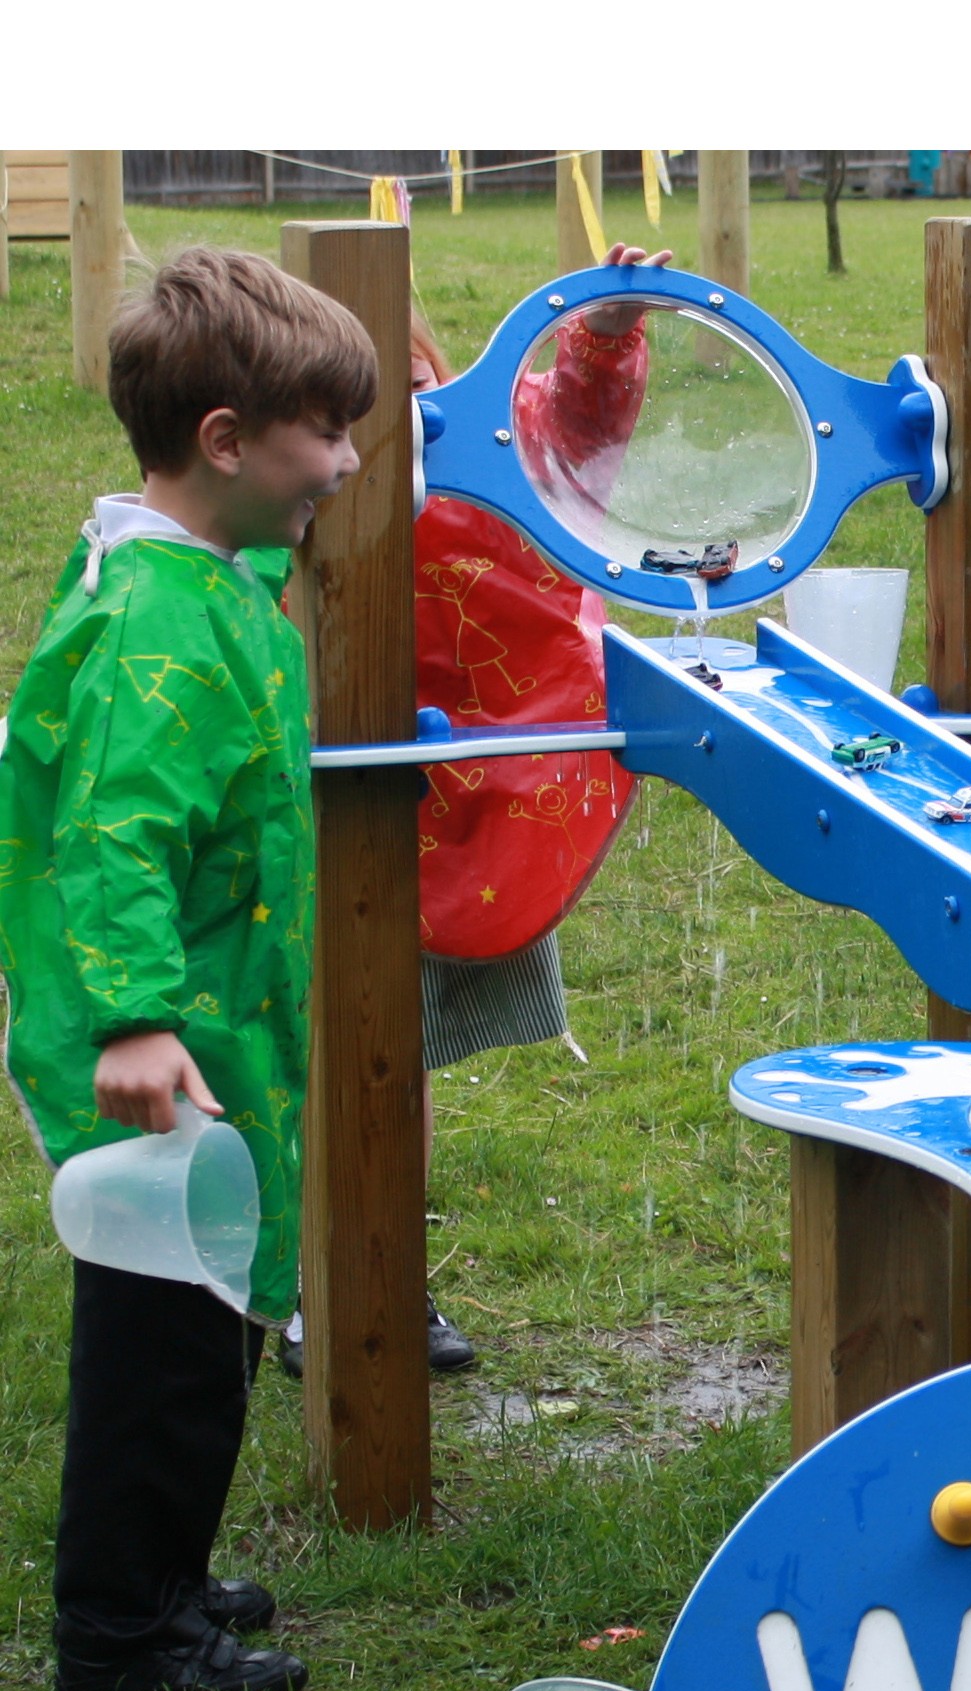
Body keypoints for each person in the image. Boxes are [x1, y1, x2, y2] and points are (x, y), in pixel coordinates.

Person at [0, 246, 376, 1691]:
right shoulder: (157, 624)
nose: (345, 464)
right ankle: (121, 1637)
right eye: (325, 436)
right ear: (224, 443)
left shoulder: (203, 565)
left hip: (215, 1025)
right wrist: (140, 1022)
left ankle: (161, 1575)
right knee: (162, 1344)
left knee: (212, 1312)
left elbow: (277, 544)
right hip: (158, 1043)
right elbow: (113, 837)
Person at [278, 243, 664, 1381]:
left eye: (392, 383)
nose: (367, 429)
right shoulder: (278, 474)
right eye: (332, 406)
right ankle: (304, 1283)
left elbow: (580, 428)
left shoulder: (492, 441)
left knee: (392, 1054)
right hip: (318, 794)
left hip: (468, 799)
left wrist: (604, 329)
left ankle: (380, 1271)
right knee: (313, 1051)